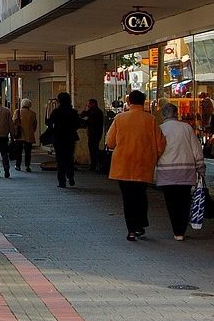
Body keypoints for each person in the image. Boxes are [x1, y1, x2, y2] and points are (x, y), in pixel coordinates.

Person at [107, 89, 166, 242]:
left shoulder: (120, 118)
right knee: (140, 195)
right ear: (143, 102)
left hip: (123, 164)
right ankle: (140, 224)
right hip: (143, 164)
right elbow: (160, 144)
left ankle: (131, 230)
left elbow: (110, 142)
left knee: (128, 198)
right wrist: (154, 156)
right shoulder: (151, 119)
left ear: (128, 102)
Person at [156, 103, 206, 241]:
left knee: (171, 202)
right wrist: (201, 167)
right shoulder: (186, 128)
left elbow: (155, 151)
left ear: (163, 115)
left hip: (166, 172)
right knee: (184, 201)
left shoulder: (159, 129)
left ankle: (176, 230)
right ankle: (181, 230)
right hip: (186, 171)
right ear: (176, 113)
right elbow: (196, 149)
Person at [46, 92, 81, 188]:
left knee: (60, 159)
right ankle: (70, 176)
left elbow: (49, 123)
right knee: (69, 158)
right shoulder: (73, 112)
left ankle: (62, 181)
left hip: (59, 138)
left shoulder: (56, 112)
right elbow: (78, 124)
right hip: (70, 137)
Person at [80, 98, 105, 172]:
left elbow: (90, 121)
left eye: (89, 104)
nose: (88, 105)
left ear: (93, 104)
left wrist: (84, 120)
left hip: (95, 133)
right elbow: (83, 115)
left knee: (93, 149)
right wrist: (85, 109)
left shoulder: (96, 112)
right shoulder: (93, 111)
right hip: (94, 133)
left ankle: (94, 165)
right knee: (93, 148)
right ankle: (94, 164)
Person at [12, 98, 37, 172]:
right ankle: (27, 165)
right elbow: (34, 125)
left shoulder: (18, 111)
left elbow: (13, 121)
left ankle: (18, 165)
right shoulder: (33, 113)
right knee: (28, 152)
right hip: (29, 135)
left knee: (19, 151)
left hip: (20, 134)